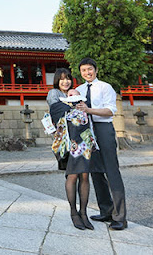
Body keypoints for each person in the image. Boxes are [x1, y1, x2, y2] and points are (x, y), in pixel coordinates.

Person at [75, 57, 127, 230]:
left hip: (103, 128)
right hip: (86, 131)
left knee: (112, 171)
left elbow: (110, 110)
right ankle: (106, 210)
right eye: (83, 70)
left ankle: (120, 217)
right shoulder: (79, 89)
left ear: (95, 70)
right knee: (95, 171)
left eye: (90, 69)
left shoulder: (105, 87)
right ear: (80, 72)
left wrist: (89, 110)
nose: (87, 73)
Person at [49, 88, 101, 230]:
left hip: (85, 148)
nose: (72, 95)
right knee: (72, 177)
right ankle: (73, 212)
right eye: (70, 94)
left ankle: (83, 213)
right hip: (71, 147)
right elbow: (55, 125)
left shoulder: (86, 107)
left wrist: (86, 108)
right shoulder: (61, 108)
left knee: (85, 177)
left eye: (75, 94)